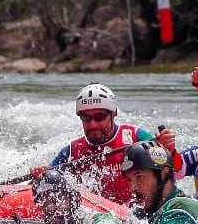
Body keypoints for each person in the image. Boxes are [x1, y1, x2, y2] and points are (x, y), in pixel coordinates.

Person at [30, 83, 180, 205]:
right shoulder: (71, 151)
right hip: (96, 218)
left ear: (113, 114)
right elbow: (48, 181)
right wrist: (42, 175)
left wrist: (170, 149)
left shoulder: (137, 137)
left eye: (99, 117)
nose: (93, 124)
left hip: (135, 214)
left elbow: (177, 170)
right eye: (86, 118)